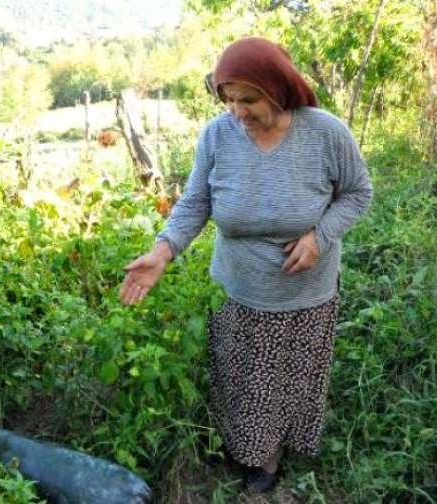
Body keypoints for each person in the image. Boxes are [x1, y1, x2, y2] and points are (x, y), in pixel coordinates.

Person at [118, 37, 372, 493]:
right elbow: (196, 202)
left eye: (249, 99)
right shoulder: (218, 136)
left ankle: (284, 448)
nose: (238, 110)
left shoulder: (326, 133)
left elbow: (358, 193)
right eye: (228, 98)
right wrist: (162, 252)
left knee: (296, 375)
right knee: (245, 378)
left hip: (307, 295)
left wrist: (319, 236)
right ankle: (258, 455)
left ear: (278, 88)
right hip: (239, 291)